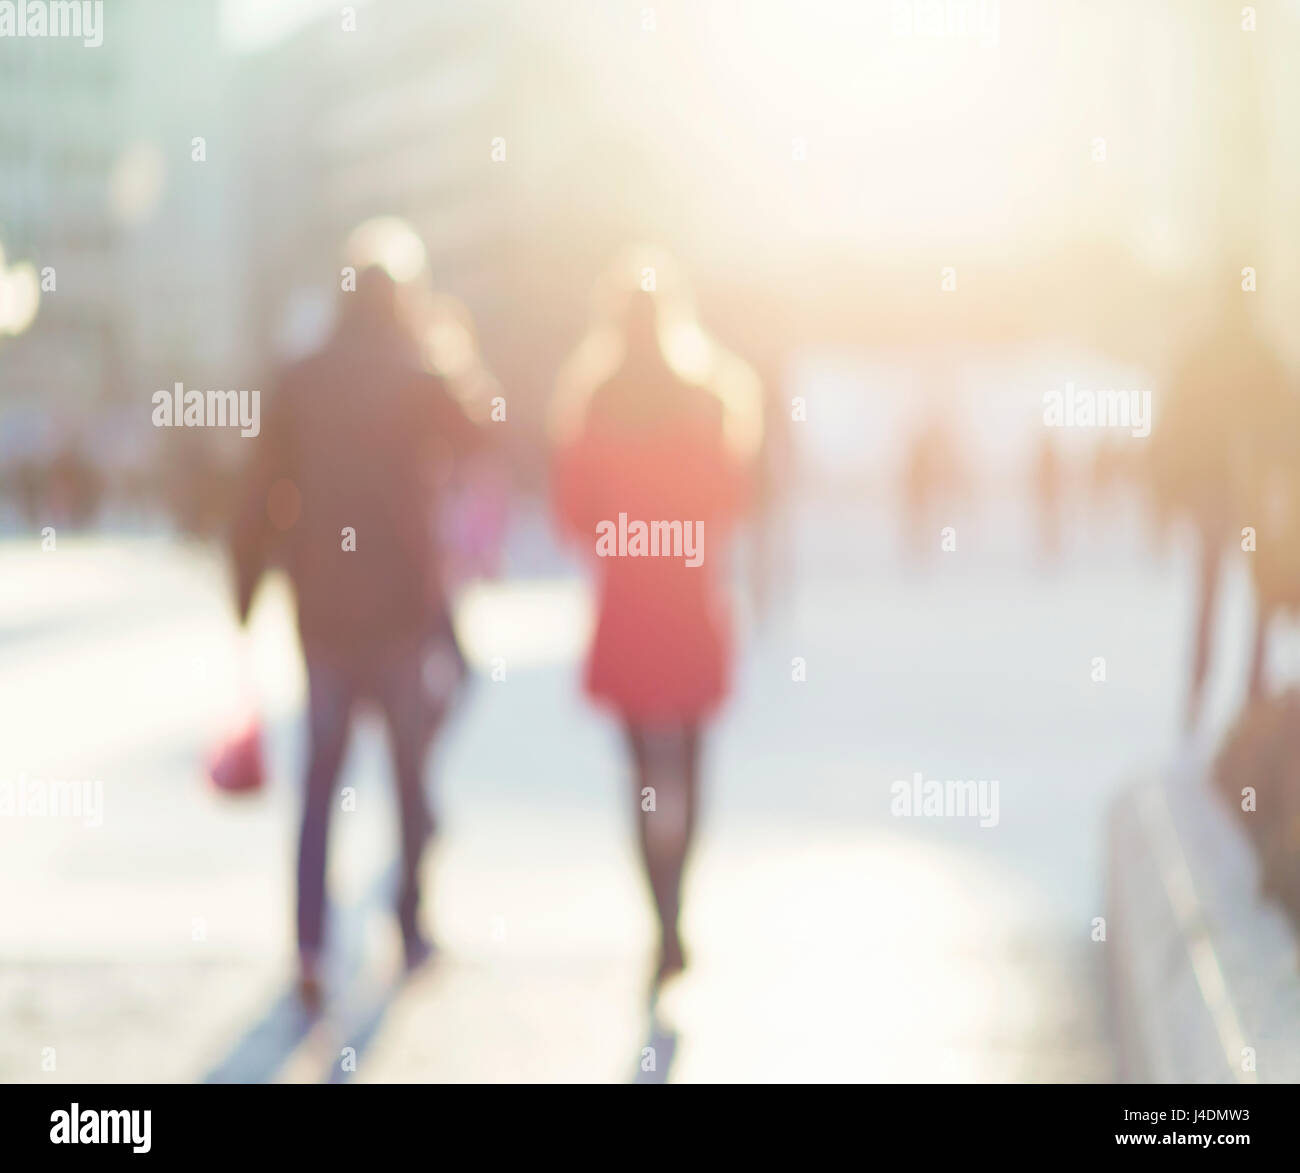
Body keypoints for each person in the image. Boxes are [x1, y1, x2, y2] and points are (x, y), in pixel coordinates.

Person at [229, 231, 489, 1005]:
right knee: (407, 772)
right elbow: (482, 431)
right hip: (403, 605)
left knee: (322, 775)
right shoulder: (419, 372)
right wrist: (444, 344)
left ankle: (309, 939)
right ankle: (408, 925)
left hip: (325, 607)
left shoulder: (299, 376)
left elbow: (261, 494)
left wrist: (246, 588)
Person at [550, 250, 761, 991]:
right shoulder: (709, 397)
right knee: (695, 762)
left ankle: (661, 918)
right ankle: (680, 905)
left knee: (642, 770)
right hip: (691, 599)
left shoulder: (593, 403)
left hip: (630, 609)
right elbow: (733, 498)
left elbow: (574, 515)